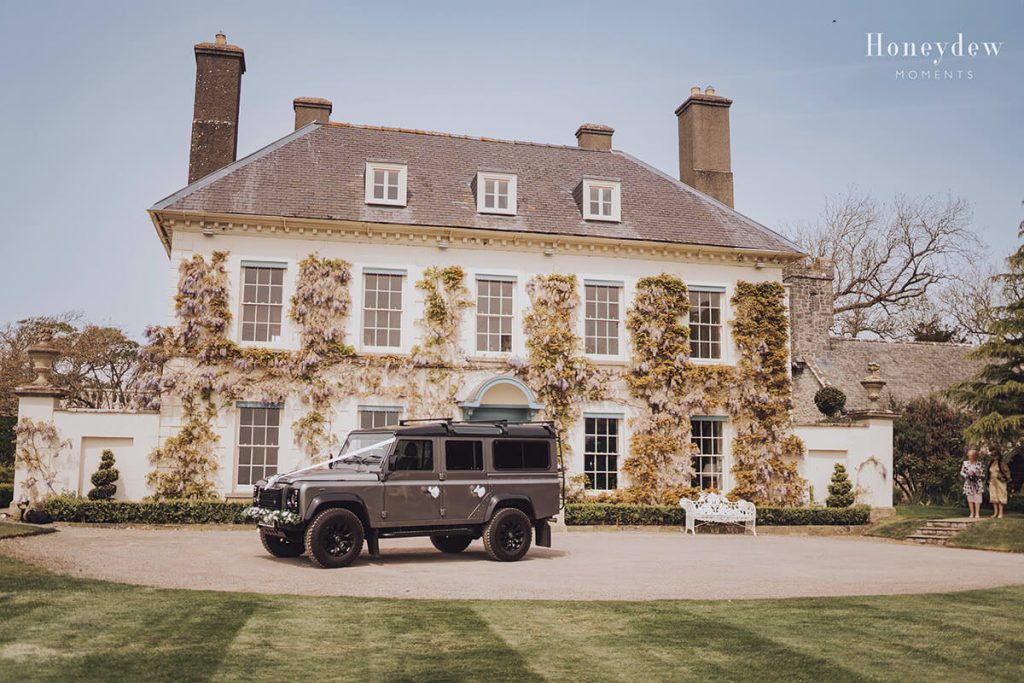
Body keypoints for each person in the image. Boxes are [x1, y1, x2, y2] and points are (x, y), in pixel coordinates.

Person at [987, 447, 1011, 519]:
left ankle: (1000, 513)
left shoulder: (1002, 463)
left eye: (995, 455)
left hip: (1000, 481)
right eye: (992, 455)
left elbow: (1008, 473)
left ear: (998, 455)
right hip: (992, 481)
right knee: (993, 496)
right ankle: (995, 512)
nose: (993, 457)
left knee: (1000, 496)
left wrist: (1004, 477)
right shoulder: (991, 463)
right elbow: (988, 472)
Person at [960, 449, 985, 518]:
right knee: (970, 498)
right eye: (969, 455)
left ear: (975, 456)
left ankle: (977, 513)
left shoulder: (979, 464)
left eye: (971, 456)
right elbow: (962, 472)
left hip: (977, 483)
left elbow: (983, 474)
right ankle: (971, 513)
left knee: (977, 497)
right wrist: (967, 475)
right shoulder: (965, 463)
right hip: (969, 482)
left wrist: (977, 475)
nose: (970, 457)